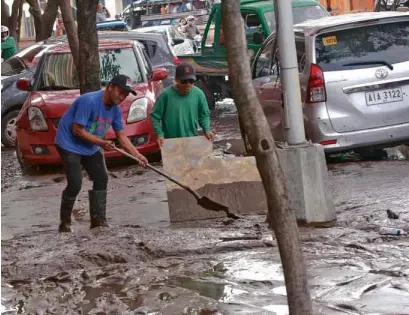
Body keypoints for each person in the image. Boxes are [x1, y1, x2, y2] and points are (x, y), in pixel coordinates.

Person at [55, 74, 148, 233]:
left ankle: (99, 222)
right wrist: (101, 143)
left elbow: (122, 136)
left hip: (91, 145)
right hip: (69, 144)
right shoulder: (89, 101)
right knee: (75, 183)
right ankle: (65, 224)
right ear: (110, 87)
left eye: (126, 95)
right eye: (121, 92)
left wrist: (138, 156)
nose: (123, 96)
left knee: (101, 177)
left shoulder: (116, 110)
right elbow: (77, 130)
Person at [150, 63, 213, 148]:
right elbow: (155, 116)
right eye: (184, 81)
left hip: (192, 140)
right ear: (176, 79)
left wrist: (206, 130)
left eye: (191, 81)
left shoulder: (199, 94)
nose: (188, 84)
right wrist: (160, 134)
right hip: (171, 142)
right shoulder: (165, 95)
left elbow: (204, 115)